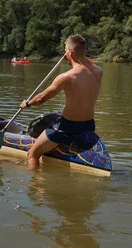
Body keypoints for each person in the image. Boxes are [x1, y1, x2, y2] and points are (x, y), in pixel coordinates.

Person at [19, 35, 102, 169]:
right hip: (89, 126)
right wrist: (78, 55)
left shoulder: (66, 77)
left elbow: (41, 99)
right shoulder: (98, 71)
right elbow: (88, 63)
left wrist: (27, 104)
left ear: (70, 52)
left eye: (65, 50)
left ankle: (36, 187)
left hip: (66, 127)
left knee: (33, 154)